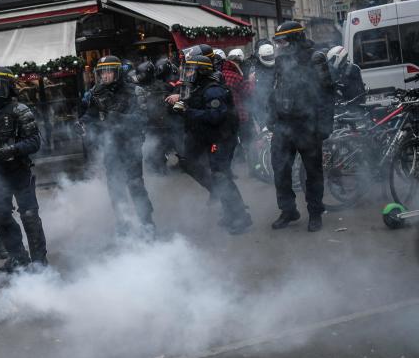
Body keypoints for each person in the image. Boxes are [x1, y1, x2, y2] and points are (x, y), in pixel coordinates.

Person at [167, 54, 253, 235]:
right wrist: (178, 103)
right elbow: (191, 104)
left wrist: (188, 111)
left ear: (201, 71)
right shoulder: (197, 87)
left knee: (221, 176)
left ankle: (240, 217)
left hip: (221, 138)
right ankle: (226, 204)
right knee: (190, 163)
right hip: (206, 137)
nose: (187, 73)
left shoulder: (213, 91)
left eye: (191, 70)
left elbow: (215, 116)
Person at [0, 66, 48, 272]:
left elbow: (35, 142)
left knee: (29, 216)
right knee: (0, 216)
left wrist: (13, 149)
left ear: (8, 86)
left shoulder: (20, 110)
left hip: (18, 171)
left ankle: (40, 261)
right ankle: (18, 256)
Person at [267, 21, 335, 232]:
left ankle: (315, 213)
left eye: (282, 41)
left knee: (312, 173)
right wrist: (271, 116)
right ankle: (288, 211)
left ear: (295, 39)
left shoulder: (315, 58)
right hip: (283, 125)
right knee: (280, 169)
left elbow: (327, 94)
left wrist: (324, 125)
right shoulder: (280, 61)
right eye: (277, 42)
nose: (279, 45)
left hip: (307, 124)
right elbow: (274, 90)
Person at [80, 55, 155, 236]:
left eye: (108, 72)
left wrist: (120, 118)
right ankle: (124, 224)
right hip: (110, 146)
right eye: (102, 73)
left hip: (131, 144)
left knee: (135, 184)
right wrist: (82, 123)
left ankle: (147, 224)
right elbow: (90, 116)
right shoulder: (96, 92)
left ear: (117, 72)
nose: (104, 76)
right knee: (115, 188)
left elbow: (143, 119)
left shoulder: (135, 92)